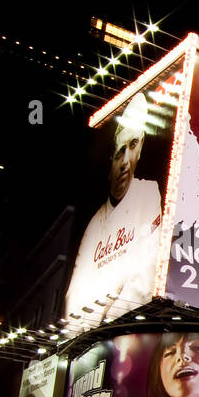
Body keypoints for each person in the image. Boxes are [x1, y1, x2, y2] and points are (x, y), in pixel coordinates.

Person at [67, 91, 162, 327]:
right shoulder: (93, 225)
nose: (126, 162)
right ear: (110, 161)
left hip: (128, 325)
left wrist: (109, 315)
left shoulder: (149, 193)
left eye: (133, 146)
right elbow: (73, 301)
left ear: (140, 149)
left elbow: (146, 276)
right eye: (120, 152)